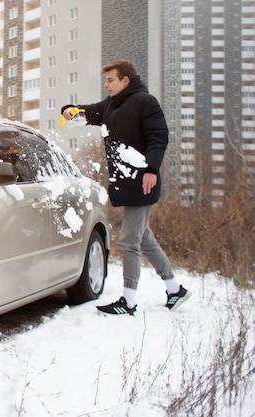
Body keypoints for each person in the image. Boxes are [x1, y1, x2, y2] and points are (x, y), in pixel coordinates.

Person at [61, 59, 190, 315]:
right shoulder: (111, 105)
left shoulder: (145, 102)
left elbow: (158, 135)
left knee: (130, 242)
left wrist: (151, 169)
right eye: (105, 80)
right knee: (144, 238)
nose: (106, 85)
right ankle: (175, 289)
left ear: (125, 80)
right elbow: (90, 112)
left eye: (110, 80)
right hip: (126, 182)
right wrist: (70, 110)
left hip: (142, 180)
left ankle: (128, 301)